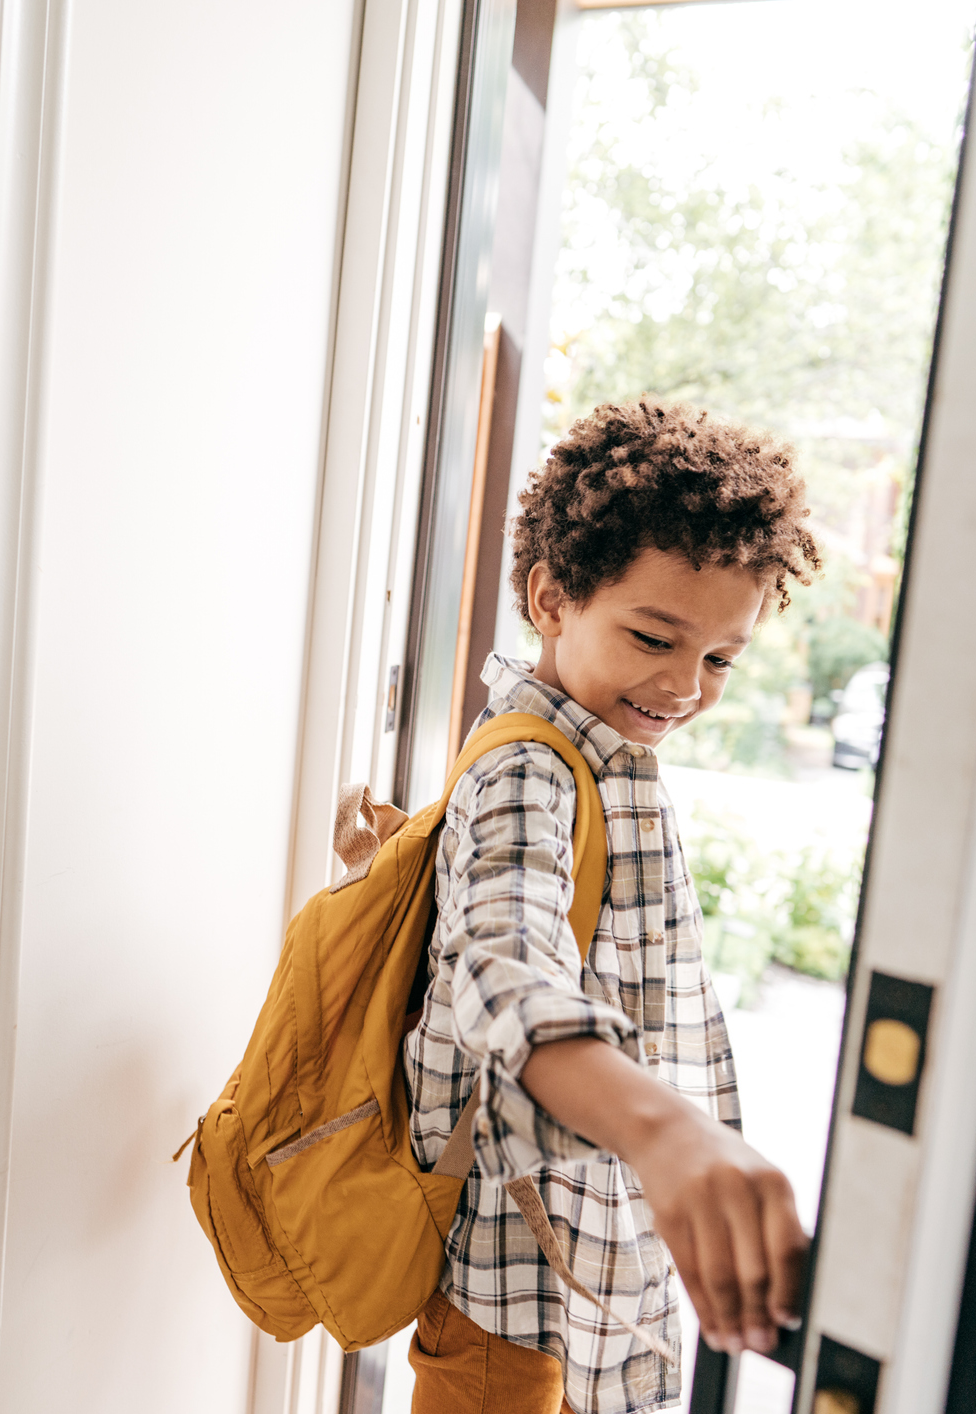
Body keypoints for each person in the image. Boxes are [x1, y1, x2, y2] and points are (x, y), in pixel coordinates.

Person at [403, 398, 819, 1414]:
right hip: (513, 1308)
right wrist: (666, 1131)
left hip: (573, 1281)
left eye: (721, 658)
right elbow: (504, 972)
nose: (684, 685)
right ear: (551, 598)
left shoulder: (604, 751)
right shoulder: (527, 769)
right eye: (653, 636)